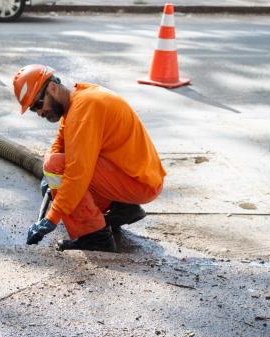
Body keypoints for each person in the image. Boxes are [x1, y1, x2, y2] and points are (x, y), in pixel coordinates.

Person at [13, 64, 165, 252]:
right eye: (32, 110)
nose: (39, 112)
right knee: (54, 169)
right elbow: (60, 144)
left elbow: (77, 174)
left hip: (138, 184)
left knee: (58, 169)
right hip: (135, 177)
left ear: (52, 88)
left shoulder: (83, 111)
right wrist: (48, 179)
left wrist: (50, 219)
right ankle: (122, 208)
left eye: (37, 104)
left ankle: (94, 237)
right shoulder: (78, 100)